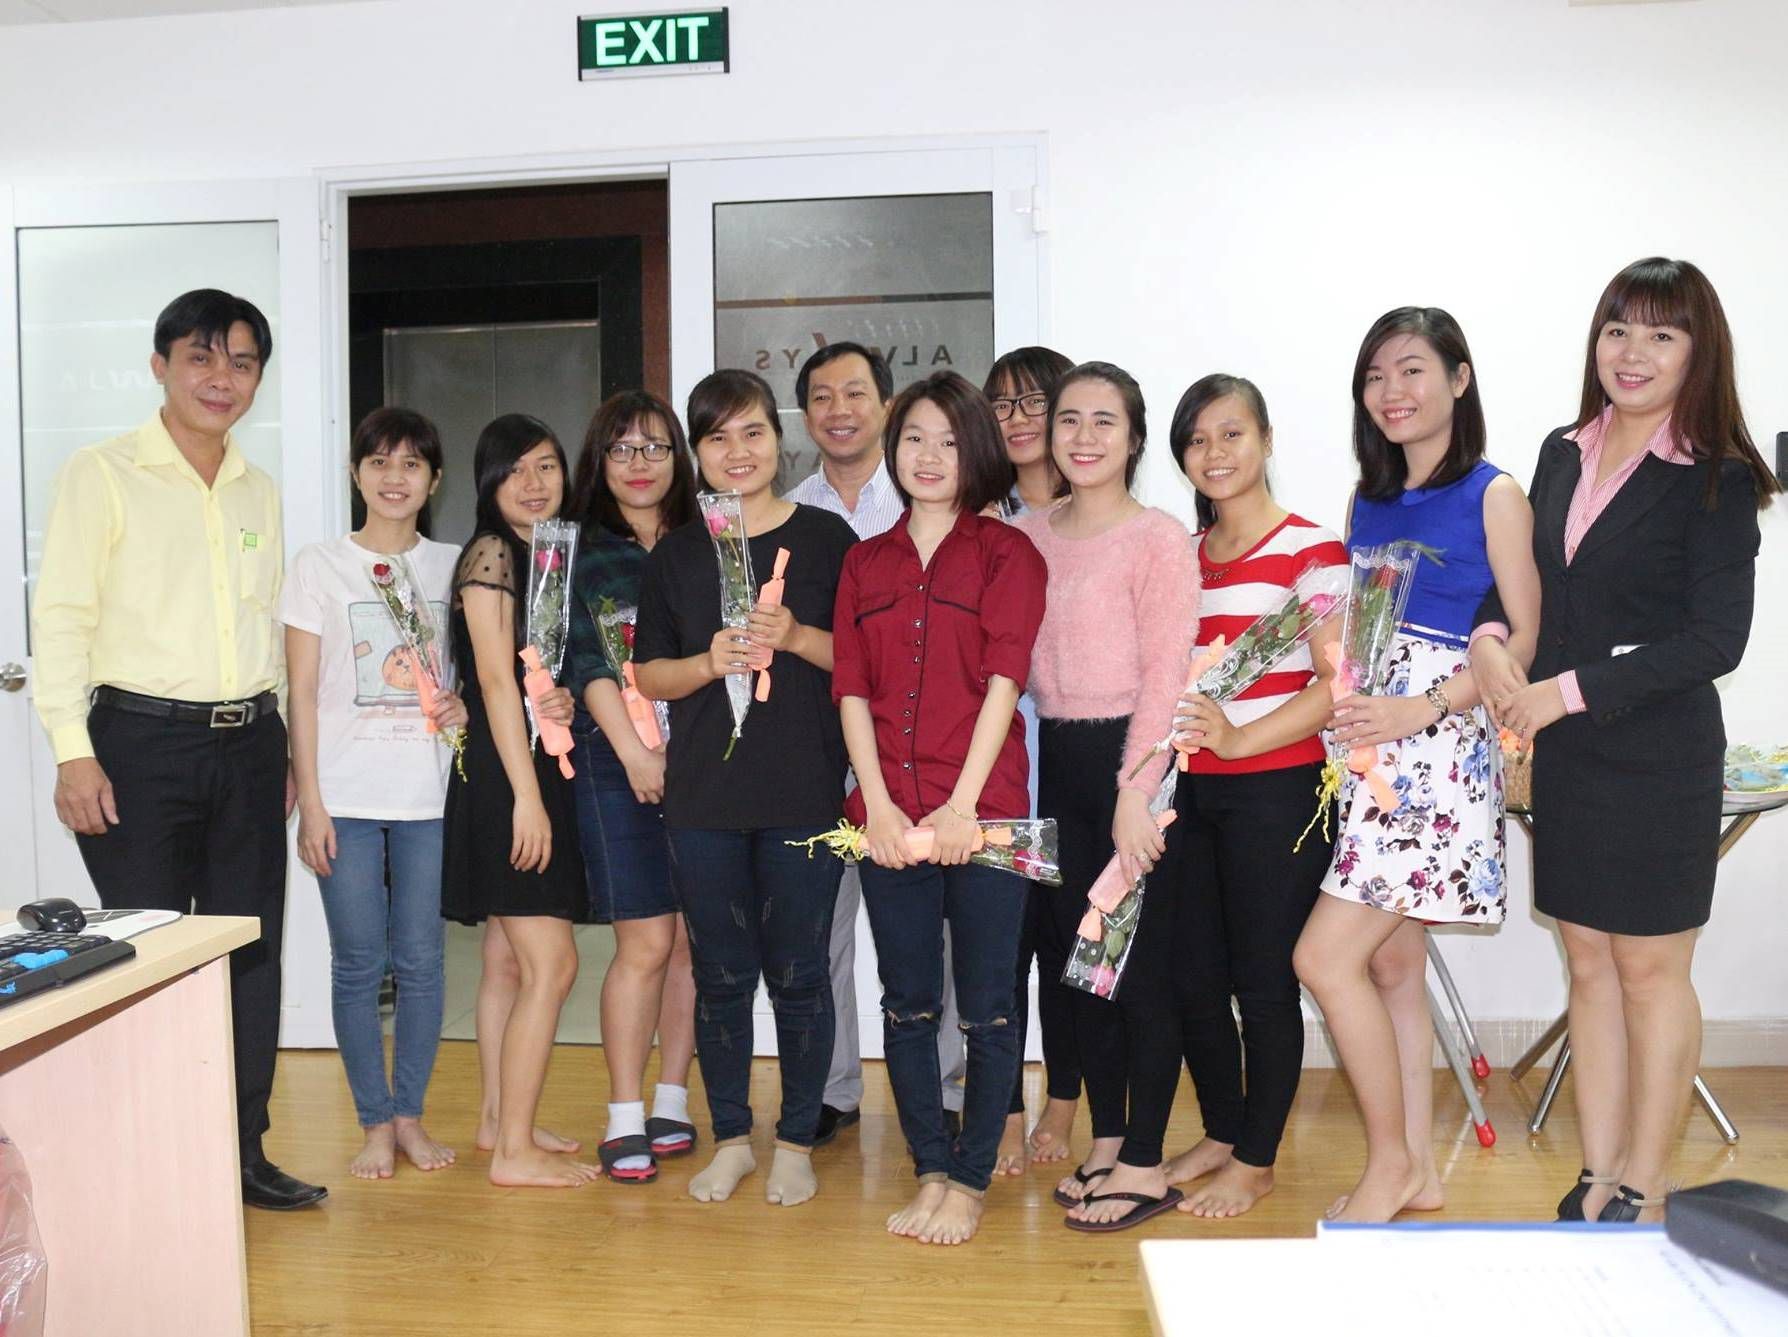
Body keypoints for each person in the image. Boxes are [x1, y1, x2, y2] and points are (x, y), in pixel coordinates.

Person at [1471, 258, 1773, 1224]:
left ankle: (1647, 1179)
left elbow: (1715, 641)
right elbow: (1531, 583)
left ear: (1698, 352)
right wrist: (1488, 637)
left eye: (1661, 333)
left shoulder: (1717, 477)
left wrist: (1563, 692)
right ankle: (1596, 1171)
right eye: (1618, 329)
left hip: (1657, 758)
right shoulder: (1563, 451)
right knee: (1590, 965)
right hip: (1569, 758)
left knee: (1650, 971)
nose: (1632, 352)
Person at [32, 288, 325, 1211]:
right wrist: (72, 749)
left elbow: (265, 627)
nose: (221, 378)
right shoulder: (103, 472)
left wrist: (285, 747)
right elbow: (62, 616)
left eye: (242, 361)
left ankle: (241, 1152)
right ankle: (151, 1165)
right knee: (145, 956)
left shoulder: (257, 488)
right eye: (201, 357)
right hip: (137, 746)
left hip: (250, 746)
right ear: (161, 365)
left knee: (249, 953)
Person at [1292, 308, 1540, 1223]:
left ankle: (1391, 1164)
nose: (1391, 391)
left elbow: (1524, 636)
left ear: (1459, 379)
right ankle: (1420, 1173)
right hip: (1371, 749)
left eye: (1412, 370)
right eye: (1375, 376)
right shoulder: (1369, 498)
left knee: (1323, 958)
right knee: (1392, 967)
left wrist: (1424, 707)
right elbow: (1364, 628)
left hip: (1437, 748)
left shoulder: (1495, 492)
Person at [634, 369, 856, 1207]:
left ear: (778, 438)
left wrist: (795, 636)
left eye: (753, 431)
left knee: (800, 973)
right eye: (718, 436)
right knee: (721, 975)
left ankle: (795, 1140)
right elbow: (648, 673)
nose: (738, 451)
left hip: (803, 791)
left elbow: (863, 662)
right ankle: (731, 1137)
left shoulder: (828, 539)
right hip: (704, 799)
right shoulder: (678, 552)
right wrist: (706, 661)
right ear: (698, 452)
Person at [833, 370, 1046, 1245]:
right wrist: (878, 808)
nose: (929, 456)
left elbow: (1006, 679)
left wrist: (961, 806)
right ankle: (929, 1164)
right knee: (908, 1003)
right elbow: (852, 690)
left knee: (989, 1005)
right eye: (915, 438)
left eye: (950, 441)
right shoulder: (863, 562)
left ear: (978, 452)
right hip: (889, 815)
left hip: (984, 812)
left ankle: (969, 1179)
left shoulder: (1009, 554)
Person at [1014, 362, 1199, 1231]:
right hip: (1053, 764)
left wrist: (1136, 789)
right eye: (1069, 419)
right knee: (1079, 964)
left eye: (1104, 421)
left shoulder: (1158, 537)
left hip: (1133, 764)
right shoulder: (1026, 535)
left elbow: (1168, 672)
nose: (1083, 437)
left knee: (1141, 969)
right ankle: (1109, 1136)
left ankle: (1148, 1160)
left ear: (1133, 438)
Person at [1158, 376, 1347, 1217]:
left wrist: (1239, 739)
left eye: (1231, 433)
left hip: (1278, 790)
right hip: (1189, 794)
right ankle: (1223, 1130)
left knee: (1264, 982)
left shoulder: (1314, 549)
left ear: (1266, 439)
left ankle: (1258, 1157)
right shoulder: (1181, 555)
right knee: (1194, 975)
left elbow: (1338, 682)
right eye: (1197, 439)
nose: (1215, 453)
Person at [785, 342, 969, 1146]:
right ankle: (833, 1089)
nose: (840, 410)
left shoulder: (934, 495)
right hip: (821, 757)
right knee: (823, 931)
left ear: (888, 407)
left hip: (923, 760)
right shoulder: (789, 511)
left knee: (937, 933)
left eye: (856, 392)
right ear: (804, 415)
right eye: (821, 396)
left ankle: (949, 1086)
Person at [282, 408, 465, 1181]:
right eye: (380, 461)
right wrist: (311, 802)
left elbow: (477, 674)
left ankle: (411, 1116)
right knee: (359, 962)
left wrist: (460, 707)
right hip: (345, 798)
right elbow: (300, 692)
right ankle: (374, 1121)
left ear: (435, 479)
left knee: (422, 961)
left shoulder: (454, 565)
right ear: (356, 473)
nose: (395, 477)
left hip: (429, 796)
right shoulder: (317, 565)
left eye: (412, 464)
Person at [440, 414, 596, 1189]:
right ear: (488, 483)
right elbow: (493, 682)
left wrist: (556, 700)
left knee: (506, 960)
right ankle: (513, 1154)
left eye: (546, 466)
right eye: (514, 470)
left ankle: (501, 1121)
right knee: (552, 963)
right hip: (510, 778)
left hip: (521, 764)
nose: (533, 483)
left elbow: (526, 677)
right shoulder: (493, 553)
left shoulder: (544, 556)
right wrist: (527, 799)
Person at [564, 391, 701, 1184]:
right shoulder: (581, 549)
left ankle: (672, 1098)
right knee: (645, 940)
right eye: (621, 449)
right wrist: (637, 754)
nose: (639, 464)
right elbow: (585, 662)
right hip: (617, 762)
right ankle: (623, 1112)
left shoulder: (705, 541)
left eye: (654, 447)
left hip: (707, 760)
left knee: (690, 941)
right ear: (600, 462)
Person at [982, 345, 1076, 1175]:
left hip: (1079, 760)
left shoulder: (1101, 512)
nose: (1016, 420)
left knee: (1070, 942)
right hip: (1000, 764)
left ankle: (1066, 1100)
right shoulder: (978, 517)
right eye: (1001, 404)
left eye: (1033, 401)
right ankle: (1003, 1106)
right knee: (1001, 950)